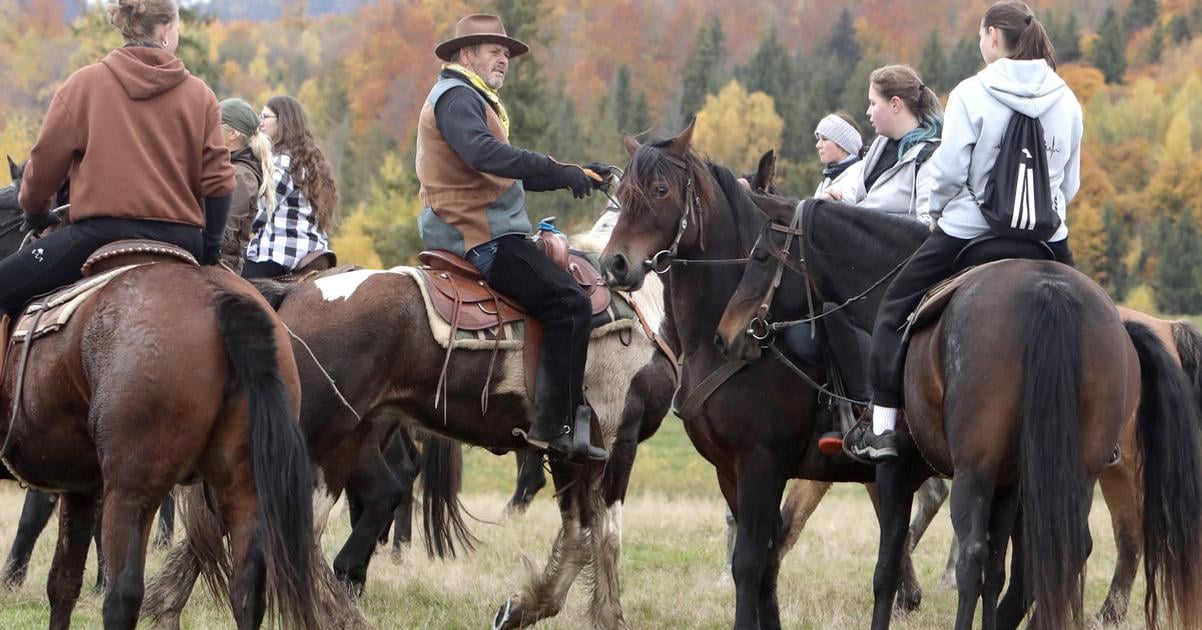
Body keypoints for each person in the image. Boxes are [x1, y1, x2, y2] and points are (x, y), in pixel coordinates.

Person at [850, 0, 1081, 462]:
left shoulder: (972, 93)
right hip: (1046, 237)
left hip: (970, 231)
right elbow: (1069, 183)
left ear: (994, 35)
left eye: (980, 35)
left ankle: (883, 429)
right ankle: (1099, 428)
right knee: (1089, 320)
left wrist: (937, 212)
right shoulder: (1068, 99)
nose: (980, 43)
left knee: (893, 310)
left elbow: (950, 171)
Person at [416, 13, 608, 461]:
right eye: (494, 51)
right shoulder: (457, 97)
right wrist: (556, 168)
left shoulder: (467, 96)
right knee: (570, 304)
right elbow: (485, 153)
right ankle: (555, 426)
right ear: (467, 54)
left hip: (479, 230)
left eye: (506, 53)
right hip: (480, 236)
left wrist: (575, 173)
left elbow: (506, 171)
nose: (503, 59)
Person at [0, 0, 233, 361]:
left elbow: (44, 165)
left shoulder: (83, 85)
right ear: (165, 30)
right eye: (177, 26)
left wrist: (35, 211)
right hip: (182, 239)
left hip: (98, 236)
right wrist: (211, 247)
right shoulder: (201, 95)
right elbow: (219, 183)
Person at [827, 64, 943, 223]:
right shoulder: (879, 145)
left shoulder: (929, 158)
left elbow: (928, 224)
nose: (868, 111)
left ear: (895, 104)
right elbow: (862, 197)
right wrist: (836, 200)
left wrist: (878, 230)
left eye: (873, 103)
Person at [242, 95, 338, 279]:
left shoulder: (281, 162)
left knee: (231, 286)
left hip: (281, 252)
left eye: (265, 117)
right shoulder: (310, 161)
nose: (260, 123)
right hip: (312, 248)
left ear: (283, 121)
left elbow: (259, 213)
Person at [218, 97, 273, 274]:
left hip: (221, 266)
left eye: (213, 124)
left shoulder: (241, 176)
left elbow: (225, 237)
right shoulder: (228, 168)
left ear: (233, 134)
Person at [812, 112, 865, 200]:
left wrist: (832, 200)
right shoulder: (827, 180)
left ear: (844, 145)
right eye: (818, 139)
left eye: (824, 139)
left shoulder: (859, 176)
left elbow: (851, 200)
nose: (818, 145)